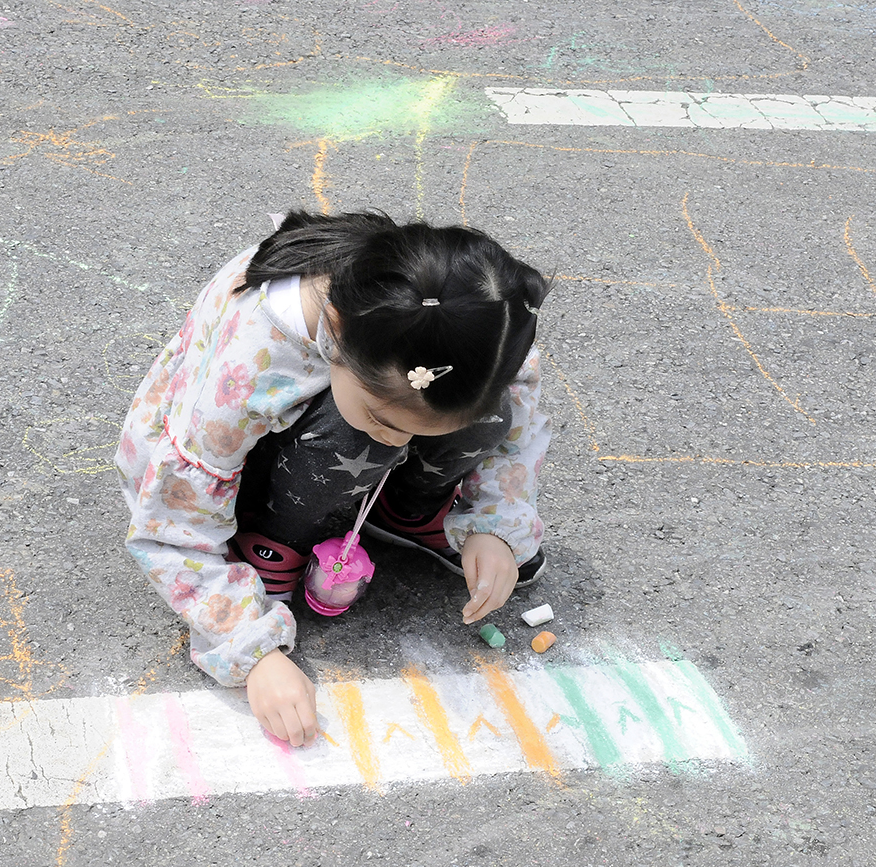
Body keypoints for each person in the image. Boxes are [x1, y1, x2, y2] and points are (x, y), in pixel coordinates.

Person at [115, 210, 551, 748]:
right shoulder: (253, 359)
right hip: (243, 468)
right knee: (358, 441)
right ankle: (276, 534)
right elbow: (171, 523)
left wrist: (494, 522)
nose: (398, 446)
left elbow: (517, 426)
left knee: (488, 412)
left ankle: (409, 509)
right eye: (385, 419)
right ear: (337, 332)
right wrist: (252, 649)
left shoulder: (482, 335)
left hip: (327, 420)